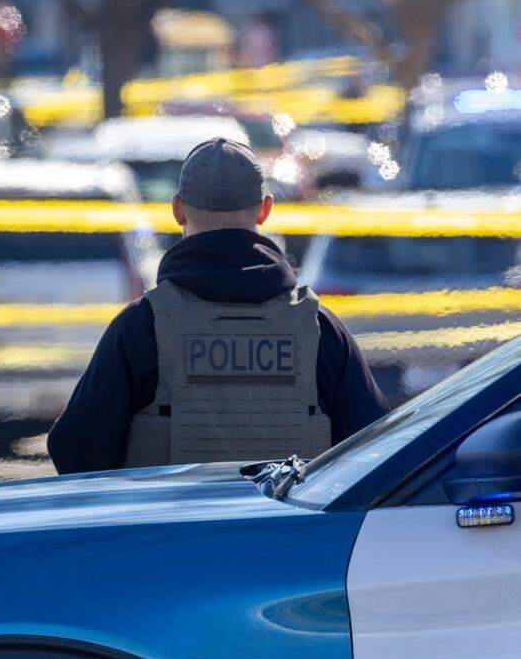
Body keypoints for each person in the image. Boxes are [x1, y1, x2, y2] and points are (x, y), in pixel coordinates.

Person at [48, 137, 388, 474]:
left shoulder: (141, 326)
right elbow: (374, 453)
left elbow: (75, 453)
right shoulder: (320, 329)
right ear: (265, 209)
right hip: (283, 514)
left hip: (173, 513)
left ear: (178, 210)